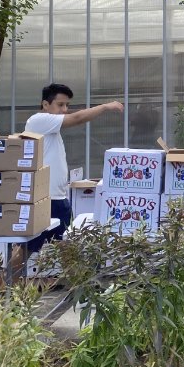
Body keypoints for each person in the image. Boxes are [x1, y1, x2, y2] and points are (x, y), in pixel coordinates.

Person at [22, 83, 123, 258]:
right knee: (31, 249)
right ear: (45, 104)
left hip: (56, 197)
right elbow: (77, 118)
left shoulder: (50, 127)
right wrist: (106, 106)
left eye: (67, 105)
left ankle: (75, 283)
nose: (65, 110)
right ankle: (1, 284)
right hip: (47, 199)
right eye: (60, 105)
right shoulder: (39, 120)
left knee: (66, 245)